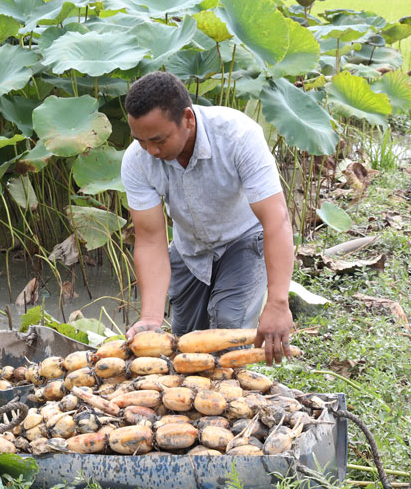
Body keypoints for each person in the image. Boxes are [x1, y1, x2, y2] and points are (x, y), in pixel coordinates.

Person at [120, 71, 295, 363]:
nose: (150, 150)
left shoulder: (238, 136)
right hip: (190, 248)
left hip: (243, 240)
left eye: (158, 140)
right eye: (140, 141)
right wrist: (150, 316)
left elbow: (276, 220)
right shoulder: (138, 160)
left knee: (228, 333)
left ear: (187, 119)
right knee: (182, 348)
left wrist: (278, 302)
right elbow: (150, 240)